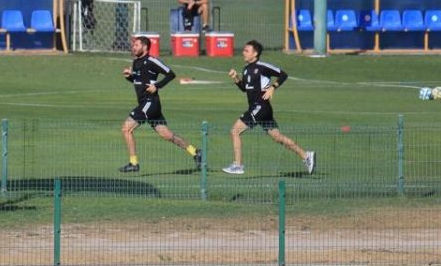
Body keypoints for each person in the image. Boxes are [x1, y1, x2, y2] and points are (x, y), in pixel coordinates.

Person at [222, 40, 315, 176]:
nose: (243, 52)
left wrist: (273, 87)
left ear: (255, 53)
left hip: (261, 107)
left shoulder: (262, 67)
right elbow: (244, 89)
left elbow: (283, 75)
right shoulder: (246, 70)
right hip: (260, 109)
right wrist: (236, 78)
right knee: (277, 137)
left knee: (235, 131)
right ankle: (306, 156)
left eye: (246, 50)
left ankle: (237, 165)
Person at [120, 36, 202, 172]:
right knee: (167, 135)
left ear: (145, 47)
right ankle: (195, 152)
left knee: (126, 129)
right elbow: (140, 82)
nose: (133, 47)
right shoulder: (135, 63)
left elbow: (171, 74)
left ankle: (134, 163)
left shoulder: (152, 61)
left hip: (150, 102)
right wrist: (130, 77)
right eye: (133, 45)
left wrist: (157, 86)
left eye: (137, 45)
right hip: (147, 104)